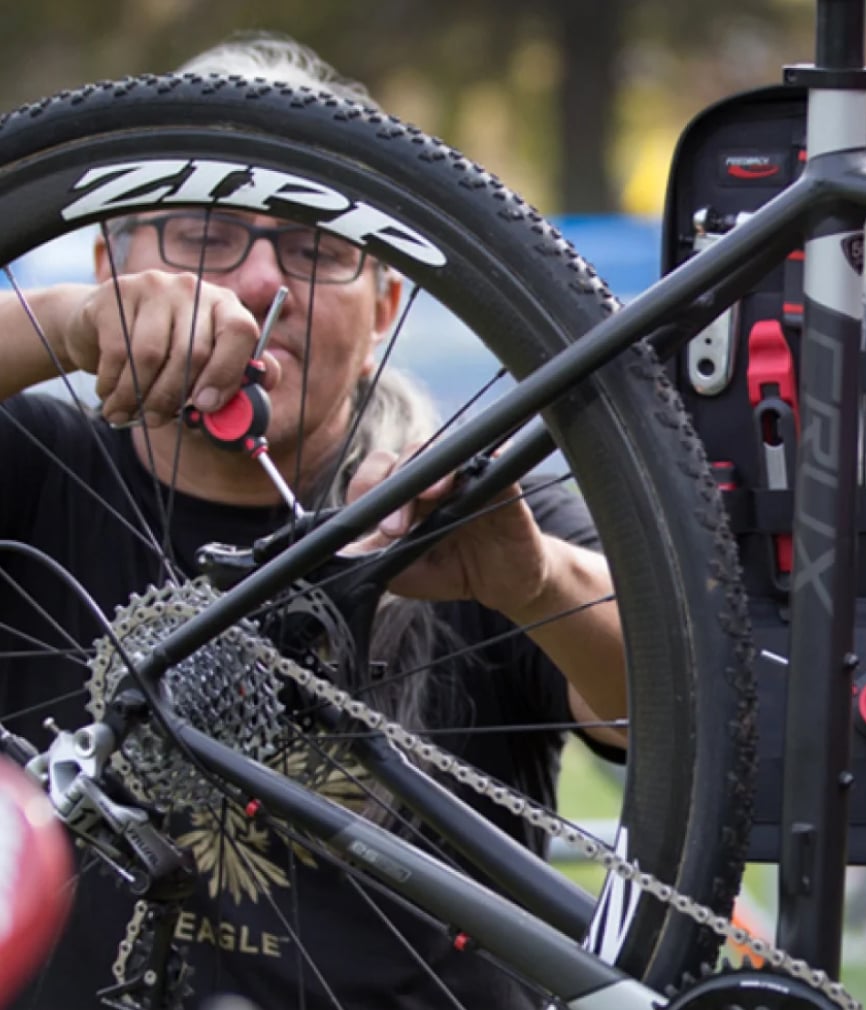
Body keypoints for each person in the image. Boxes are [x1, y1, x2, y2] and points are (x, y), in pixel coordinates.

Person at [0, 34, 626, 1010]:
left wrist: (534, 578)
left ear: (384, 306)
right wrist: (67, 324)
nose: (259, 285)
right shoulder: (32, 467)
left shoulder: (475, 510)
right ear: (107, 262)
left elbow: (685, 699)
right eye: (201, 234)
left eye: (315, 247)